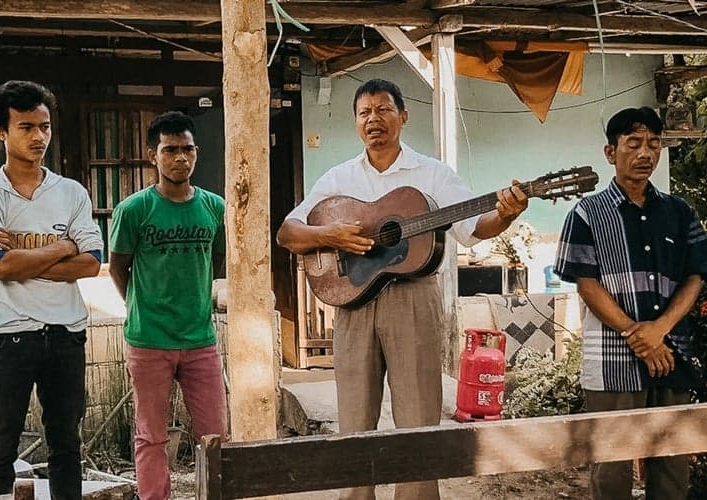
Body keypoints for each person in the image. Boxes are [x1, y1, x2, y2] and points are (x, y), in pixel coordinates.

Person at [276, 78, 528, 500]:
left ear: (403, 117)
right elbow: (288, 232)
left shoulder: (432, 174)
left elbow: (474, 227)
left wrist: (505, 214)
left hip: (414, 299)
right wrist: (329, 235)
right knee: (354, 419)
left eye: (383, 110)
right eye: (364, 112)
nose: (373, 119)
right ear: (356, 122)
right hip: (354, 302)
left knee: (418, 417)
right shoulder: (339, 178)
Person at [554, 106, 707, 499]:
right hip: (612, 361)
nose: (645, 153)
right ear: (611, 152)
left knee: (671, 470)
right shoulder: (587, 213)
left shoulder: (680, 213)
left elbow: (695, 276)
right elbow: (587, 284)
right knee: (611, 471)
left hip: (671, 354)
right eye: (634, 143)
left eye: (654, 144)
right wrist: (637, 335)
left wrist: (660, 330)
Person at [0, 80, 103, 499]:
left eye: (44, 126)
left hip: (64, 335)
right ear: (1, 132)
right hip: (6, 338)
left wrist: (24, 255)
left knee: (67, 445)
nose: (39, 136)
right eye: (26, 127)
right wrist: (62, 246)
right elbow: (0, 266)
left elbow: (91, 263)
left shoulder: (71, 192)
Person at [108, 111, 228, 500]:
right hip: (149, 340)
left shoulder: (214, 207)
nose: (180, 158)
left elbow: (217, 260)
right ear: (152, 156)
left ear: (196, 153)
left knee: (215, 436)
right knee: (151, 436)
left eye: (187, 149)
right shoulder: (134, 210)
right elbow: (119, 267)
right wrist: (142, 306)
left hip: (200, 339)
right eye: (170, 149)